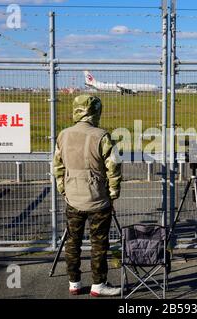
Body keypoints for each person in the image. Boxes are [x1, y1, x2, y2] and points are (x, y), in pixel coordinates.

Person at [53, 94, 122, 297]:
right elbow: (113, 168)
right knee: (99, 243)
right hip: (98, 199)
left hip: (72, 198)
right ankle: (98, 284)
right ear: (96, 111)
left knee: (72, 242)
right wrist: (113, 193)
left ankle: (74, 282)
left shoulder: (63, 135)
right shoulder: (102, 136)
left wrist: (63, 189)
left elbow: (57, 166)